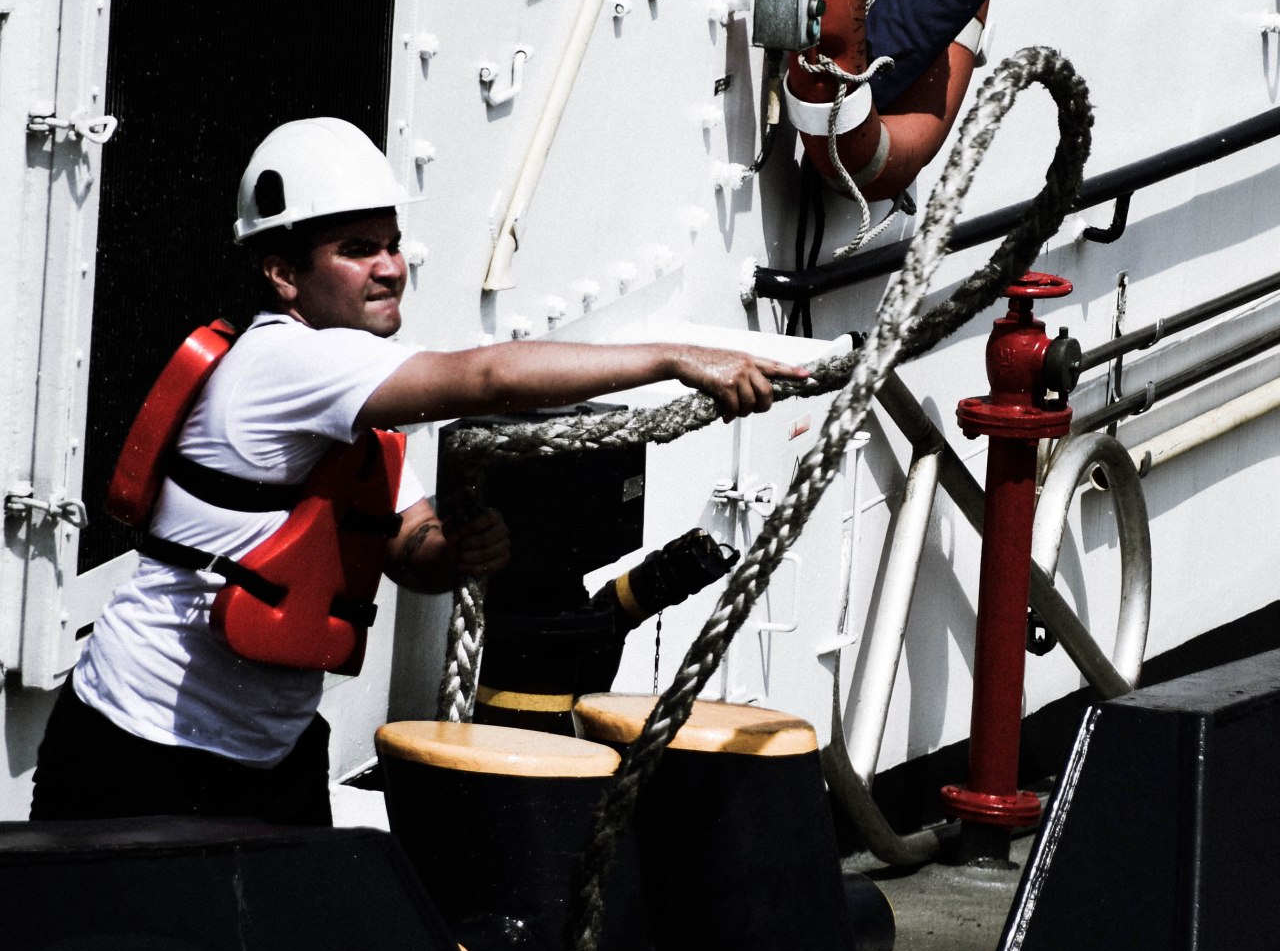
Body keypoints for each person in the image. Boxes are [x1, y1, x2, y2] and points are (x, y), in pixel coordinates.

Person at [30, 118, 809, 827]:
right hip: (142, 752)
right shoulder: (288, 361)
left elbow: (403, 550)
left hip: (269, 751)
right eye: (357, 250)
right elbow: (487, 380)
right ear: (281, 275)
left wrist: (450, 553)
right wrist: (675, 356)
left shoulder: (354, 394)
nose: (390, 268)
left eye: (393, 244)